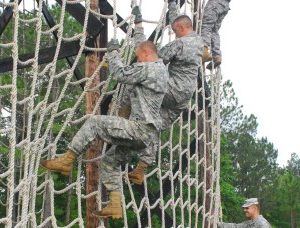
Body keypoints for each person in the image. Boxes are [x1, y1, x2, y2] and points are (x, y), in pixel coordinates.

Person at [40, 39, 169, 219]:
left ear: (147, 54)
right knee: (109, 161)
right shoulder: (162, 71)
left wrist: (113, 52)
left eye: (139, 58)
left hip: (139, 129)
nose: (138, 61)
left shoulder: (150, 68)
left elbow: (119, 74)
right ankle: (115, 204)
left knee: (94, 123)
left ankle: (67, 160)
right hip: (146, 137)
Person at [126, 2, 204, 185]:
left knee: (141, 79)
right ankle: (141, 168)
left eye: (176, 31)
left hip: (172, 90)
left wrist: (139, 28)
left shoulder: (180, 44)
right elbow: (178, 22)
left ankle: (122, 108)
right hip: (183, 100)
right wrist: (173, 5)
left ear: (183, 29)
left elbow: (152, 58)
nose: (175, 34)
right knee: (153, 124)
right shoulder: (199, 41)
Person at [201, 0, 231, 70]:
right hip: (225, 5)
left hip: (215, 3)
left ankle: (204, 50)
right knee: (214, 31)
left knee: (206, 25)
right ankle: (217, 56)